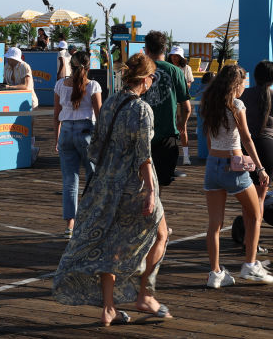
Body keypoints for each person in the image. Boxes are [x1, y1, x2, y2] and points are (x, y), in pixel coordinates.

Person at [52, 53, 171, 326]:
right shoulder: (142, 109)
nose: (152, 81)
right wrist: (151, 191)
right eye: (152, 77)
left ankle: (109, 308)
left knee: (111, 245)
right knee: (161, 234)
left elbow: (96, 146)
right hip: (136, 185)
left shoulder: (111, 103)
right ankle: (145, 294)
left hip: (107, 183)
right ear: (144, 79)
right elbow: (144, 156)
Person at [201, 64, 273, 287]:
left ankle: (215, 273)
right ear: (236, 84)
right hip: (233, 166)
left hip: (212, 165)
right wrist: (260, 168)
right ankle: (250, 265)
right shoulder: (236, 105)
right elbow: (246, 138)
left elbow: (208, 137)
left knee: (214, 224)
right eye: (244, 82)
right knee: (255, 214)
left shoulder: (210, 103)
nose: (245, 86)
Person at [54, 51, 103, 237]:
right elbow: (99, 116)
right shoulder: (93, 86)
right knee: (93, 177)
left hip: (66, 131)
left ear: (70, 66)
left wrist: (56, 137)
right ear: (88, 67)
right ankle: (91, 219)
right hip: (86, 132)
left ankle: (70, 225)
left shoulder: (60, 85)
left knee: (69, 180)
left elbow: (56, 115)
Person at [240, 60, 273, 211]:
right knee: (260, 197)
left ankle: (246, 224)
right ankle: (255, 225)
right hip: (267, 149)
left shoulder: (243, 95)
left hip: (245, 148)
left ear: (255, 76)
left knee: (247, 196)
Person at [141, 31, 191, 187]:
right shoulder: (176, 71)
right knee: (160, 184)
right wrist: (182, 124)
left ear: (146, 49)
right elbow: (187, 108)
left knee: (140, 182)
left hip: (141, 135)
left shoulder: (140, 70)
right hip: (167, 135)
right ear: (165, 49)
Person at [166, 46, 195, 164]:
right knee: (169, 128)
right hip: (169, 101)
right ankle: (170, 154)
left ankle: (186, 156)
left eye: (177, 56)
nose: (174, 58)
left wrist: (178, 84)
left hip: (181, 102)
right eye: (173, 55)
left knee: (183, 128)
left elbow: (189, 85)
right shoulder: (167, 67)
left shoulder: (186, 68)